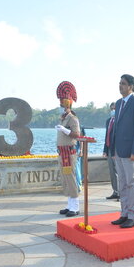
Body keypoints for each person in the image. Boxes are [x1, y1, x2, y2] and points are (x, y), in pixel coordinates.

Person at [109, 74, 134, 228]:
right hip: (118, 150)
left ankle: (133, 216)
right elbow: (116, 127)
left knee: (131, 182)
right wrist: (113, 148)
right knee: (122, 183)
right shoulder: (118, 103)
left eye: (123, 83)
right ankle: (124, 213)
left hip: (130, 151)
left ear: (131, 86)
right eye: (119, 83)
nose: (120, 86)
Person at [55, 81, 81, 217]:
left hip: (69, 153)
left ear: (67, 105)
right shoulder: (62, 118)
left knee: (71, 178)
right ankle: (69, 204)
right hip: (62, 153)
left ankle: (75, 206)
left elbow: (77, 134)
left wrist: (65, 130)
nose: (60, 107)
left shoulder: (72, 119)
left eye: (61, 105)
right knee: (65, 180)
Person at [103, 102, 119, 200]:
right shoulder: (108, 121)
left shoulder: (119, 121)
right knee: (112, 172)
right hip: (109, 149)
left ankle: (121, 192)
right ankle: (115, 191)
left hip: (116, 150)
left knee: (118, 172)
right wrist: (105, 150)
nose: (112, 111)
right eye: (111, 109)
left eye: (114, 109)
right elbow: (107, 136)